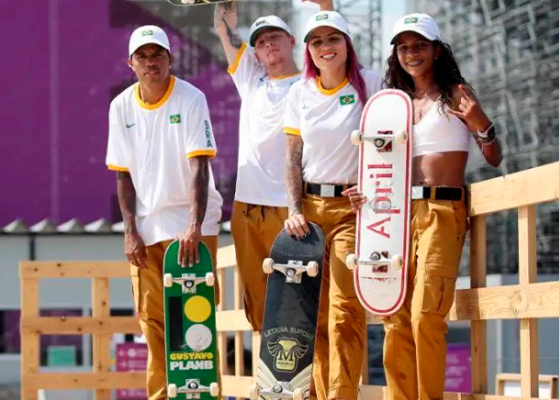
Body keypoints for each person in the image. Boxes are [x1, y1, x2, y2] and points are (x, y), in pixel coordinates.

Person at [346, 13, 503, 400]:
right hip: (394, 214)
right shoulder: (393, 104)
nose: (411, 53)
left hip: (442, 212)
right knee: (393, 316)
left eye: (419, 46)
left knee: (424, 315)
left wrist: (480, 123)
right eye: (403, 47)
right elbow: (384, 168)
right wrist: (363, 192)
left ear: (436, 50)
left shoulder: (455, 92)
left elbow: (494, 156)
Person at [211, 2, 332, 399]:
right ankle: (273, 386)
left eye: (274, 38)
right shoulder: (251, 78)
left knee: (305, 302)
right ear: (256, 51)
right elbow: (224, 29)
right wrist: (225, 7)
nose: (267, 46)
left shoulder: (311, 84)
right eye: (260, 42)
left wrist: (326, 8)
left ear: (292, 42)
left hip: (293, 207)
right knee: (260, 301)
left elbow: (331, 30)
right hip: (247, 206)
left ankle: (311, 388)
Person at [106, 25, 224, 400]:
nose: (151, 61)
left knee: (196, 317)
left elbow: (199, 167)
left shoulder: (191, 98)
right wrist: (129, 230)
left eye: (157, 54)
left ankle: (204, 395)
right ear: (131, 63)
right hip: (147, 225)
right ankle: (162, 396)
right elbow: (122, 175)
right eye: (142, 56)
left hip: (192, 224)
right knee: (152, 322)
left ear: (170, 59)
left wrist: (194, 224)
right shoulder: (121, 105)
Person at [281, 10, 384, 400]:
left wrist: (373, 184)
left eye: (333, 39)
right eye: (317, 41)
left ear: (347, 43)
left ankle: (343, 396)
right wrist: (294, 209)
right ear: (308, 49)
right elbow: (292, 156)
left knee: (345, 313)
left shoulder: (371, 82)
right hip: (309, 212)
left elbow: (390, 140)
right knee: (315, 317)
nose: (326, 47)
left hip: (353, 212)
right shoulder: (300, 92)